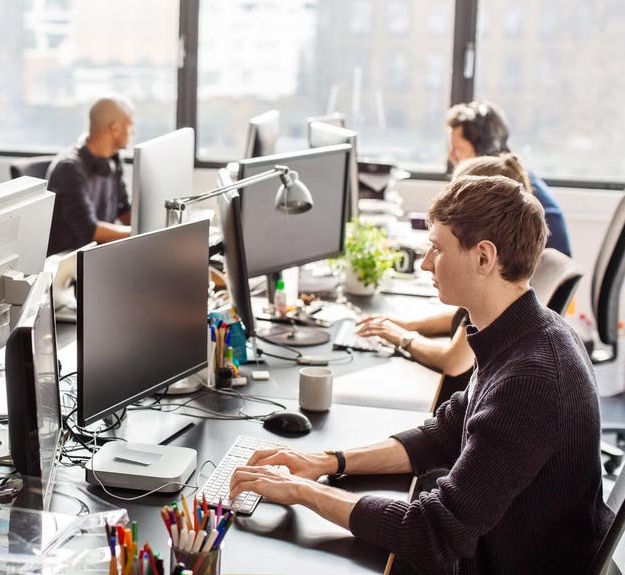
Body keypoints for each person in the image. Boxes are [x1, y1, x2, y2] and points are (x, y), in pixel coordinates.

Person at [230, 175, 611, 573]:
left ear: (484, 257)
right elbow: (443, 434)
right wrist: (327, 462)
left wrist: (301, 491)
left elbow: (431, 533)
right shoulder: (523, 330)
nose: (427, 262)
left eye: (437, 248)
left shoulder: (531, 378)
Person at [356, 153, 535, 384]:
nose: (425, 264)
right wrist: (410, 325)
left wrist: (404, 337)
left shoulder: (495, 293)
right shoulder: (504, 287)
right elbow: (461, 318)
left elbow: (454, 361)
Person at [445, 99, 571, 255]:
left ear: (484, 148)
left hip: (534, 272)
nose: (451, 156)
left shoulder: (503, 189)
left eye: (458, 149)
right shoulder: (513, 173)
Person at [45, 95, 134, 255]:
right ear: (115, 129)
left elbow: (123, 209)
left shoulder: (113, 159)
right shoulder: (69, 168)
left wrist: (152, 227)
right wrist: (136, 233)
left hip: (99, 254)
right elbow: (89, 230)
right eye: (130, 125)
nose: (132, 132)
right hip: (71, 264)